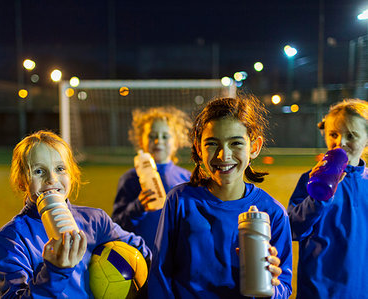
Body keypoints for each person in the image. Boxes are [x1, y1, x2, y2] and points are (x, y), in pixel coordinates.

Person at [148, 96, 293, 298]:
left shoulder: (273, 213)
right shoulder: (180, 201)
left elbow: (284, 288)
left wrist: (271, 288)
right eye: (212, 143)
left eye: (235, 143)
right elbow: (160, 275)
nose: (223, 155)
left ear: (255, 147)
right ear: (199, 148)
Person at [0, 130, 151, 298]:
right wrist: (54, 271)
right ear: (22, 181)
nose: (51, 179)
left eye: (60, 168)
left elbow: (138, 248)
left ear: (72, 174)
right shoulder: (12, 238)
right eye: (39, 171)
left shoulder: (95, 220)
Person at [288, 99, 368, 298]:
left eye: (351, 135)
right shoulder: (309, 179)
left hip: (359, 288)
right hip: (318, 289)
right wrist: (318, 197)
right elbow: (293, 228)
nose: (340, 142)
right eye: (334, 134)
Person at [112, 107, 192, 250]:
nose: (157, 140)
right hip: (141, 258)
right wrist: (138, 207)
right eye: (151, 135)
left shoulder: (187, 179)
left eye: (165, 136)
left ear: (176, 142)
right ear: (141, 140)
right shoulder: (130, 179)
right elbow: (117, 225)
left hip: (176, 258)